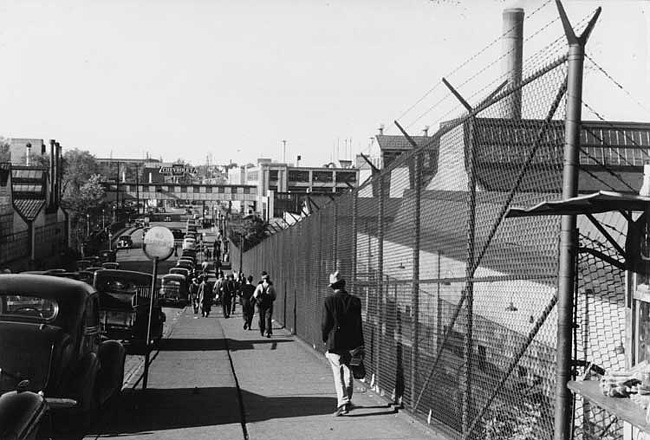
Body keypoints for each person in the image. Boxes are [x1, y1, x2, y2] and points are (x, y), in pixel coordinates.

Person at [321, 271, 364, 417]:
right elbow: (358, 324)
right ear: (344, 285)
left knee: (337, 372)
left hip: (335, 341)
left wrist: (324, 336)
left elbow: (326, 323)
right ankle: (347, 400)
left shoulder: (329, 301)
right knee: (347, 370)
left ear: (333, 287)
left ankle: (343, 402)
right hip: (352, 342)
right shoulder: (355, 301)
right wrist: (360, 343)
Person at [253, 271, 276, 338]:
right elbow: (274, 296)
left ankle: (262, 330)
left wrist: (258, 299)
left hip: (261, 304)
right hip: (269, 304)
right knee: (268, 318)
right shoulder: (271, 287)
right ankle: (268, 331)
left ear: (263, 279)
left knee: (261, 317)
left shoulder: (260, 286)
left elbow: (255, 295)